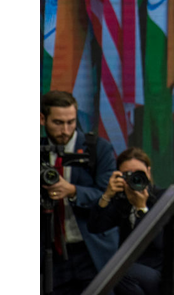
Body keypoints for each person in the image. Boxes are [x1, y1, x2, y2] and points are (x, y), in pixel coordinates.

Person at [40, 90, 119, 294]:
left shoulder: (98, 149)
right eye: (58, 122)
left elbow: (107, 195)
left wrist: (73, 190)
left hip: (91, 251)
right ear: (42, 119)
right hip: (50, 254)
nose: (65, 130)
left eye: (71, 122)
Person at [87, 147, 165, 295]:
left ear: (148, 172)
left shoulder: (163, 197)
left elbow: (160, 243)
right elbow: (95, 227)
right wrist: (107, 196)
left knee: (118, 270)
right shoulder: (122, 201)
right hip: (132, 271)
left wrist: (141, 208)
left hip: (161, 270)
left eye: (139, 173)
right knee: (118, 271)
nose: (134, 179)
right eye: (127, 175)